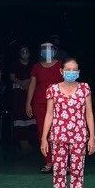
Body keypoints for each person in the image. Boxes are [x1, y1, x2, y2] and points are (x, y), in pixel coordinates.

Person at [40, 57, 95, 188]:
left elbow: (89, 114)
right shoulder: (53, 89)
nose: (71, 72)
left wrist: (91, 136)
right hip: (58, 136)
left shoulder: (84, 88)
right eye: (68, 69)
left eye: (74, 69)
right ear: (61, 71)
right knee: (59, 172)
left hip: (79, 136)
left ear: (78, 72)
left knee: (77, 171)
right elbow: (49, 114)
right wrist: (44, 137)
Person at [27, 41, 65, 173]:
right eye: (44, 48)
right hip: (40, 103)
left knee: (60, 132)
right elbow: (32, 85)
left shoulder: (61, 65)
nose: (47, 51)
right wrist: (28, 102)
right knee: (43, 132)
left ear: (55, 50)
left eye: (50, 48)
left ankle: (61, 161)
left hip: (59, 103)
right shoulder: (37, 67)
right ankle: (49, 161)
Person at [7, 46, 35, 152]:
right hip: (18, 93)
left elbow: (34, 77)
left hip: (30, 92)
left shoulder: (33, 65)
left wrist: (28, 82)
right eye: (22, 51)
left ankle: (29, 141)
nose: (25, 53)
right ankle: (22, 142)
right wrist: (21, 82)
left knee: (30, 116)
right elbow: (12, 77)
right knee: (19, 116)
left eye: (26, 51)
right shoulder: (14, 64)